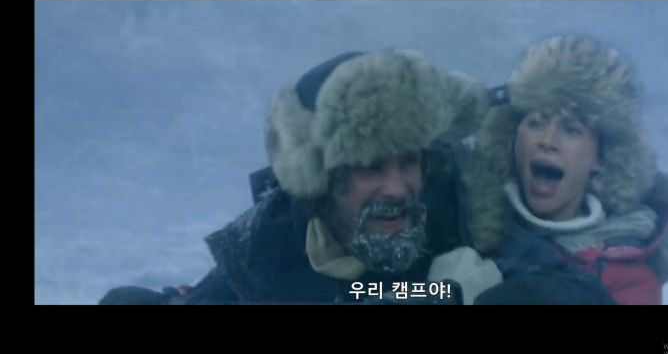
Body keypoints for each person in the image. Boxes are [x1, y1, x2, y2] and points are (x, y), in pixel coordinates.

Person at [100, 49, 503, 305]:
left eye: (409, 162)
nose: (397, 188)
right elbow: (354, 293)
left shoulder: (468, 213)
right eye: (371, 166)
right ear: (319, 179)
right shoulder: (265, 254)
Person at [464, 36, 668, 304]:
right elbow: (424, 290)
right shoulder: (460, 218)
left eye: (571, 130)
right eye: (536, 123)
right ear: (512, 137)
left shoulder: (629, 275)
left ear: (602, 157)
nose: (547, 140)